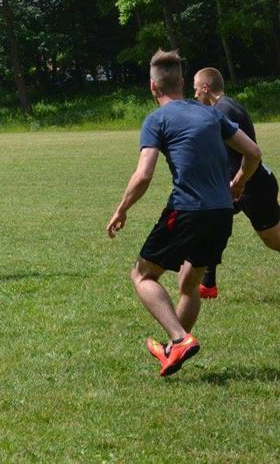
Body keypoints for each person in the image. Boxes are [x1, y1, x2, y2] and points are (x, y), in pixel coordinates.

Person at [106, 49, 262, 377]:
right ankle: (172, 350)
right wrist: (237, 184)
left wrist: (122, 209)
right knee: (190, 284)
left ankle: (179, 339)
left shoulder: (157, 119)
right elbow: (253, 152)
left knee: (142, 275)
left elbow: (143, 175)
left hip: (188, 209)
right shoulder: (211, 114)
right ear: (181, 82)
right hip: (222, 212)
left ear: (153, 86)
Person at [193, 67, 280, 299]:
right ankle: (207, 286)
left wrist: (239, 184)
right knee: (207, 224)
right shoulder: (224, 106)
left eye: (196, 89)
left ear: (205, 88)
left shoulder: (224, 111)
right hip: (237, 186)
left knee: (273, 239)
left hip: (253, 186)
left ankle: (207, 285)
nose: (195, 95)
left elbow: (252, 153)